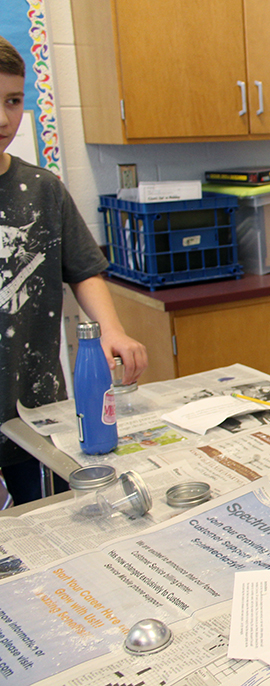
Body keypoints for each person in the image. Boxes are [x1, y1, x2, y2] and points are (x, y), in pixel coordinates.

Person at [0, 36, 148, 505]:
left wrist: (113, 331)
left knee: (50, 515)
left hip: (34, 410)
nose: (3, 119)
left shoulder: (41, 189)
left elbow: (83, 269)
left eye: (12, 100)